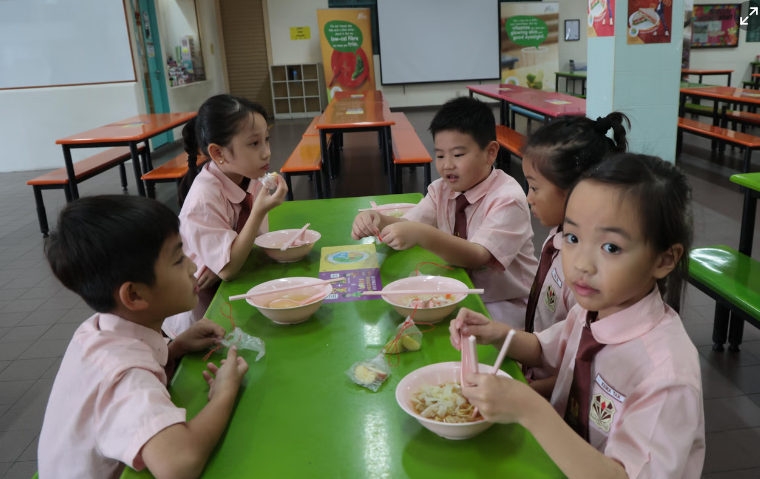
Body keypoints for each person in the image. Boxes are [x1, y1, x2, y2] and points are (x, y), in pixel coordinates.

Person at [450, 154, 704, 478]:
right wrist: (495, 332)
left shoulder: (666, 376)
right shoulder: (590, 309)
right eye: (572, 238)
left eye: (611, 247)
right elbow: (545, 349)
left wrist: (531, 411)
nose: (582, 263)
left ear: (664, 259)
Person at [38, 195, 250, 479]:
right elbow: (179, 464)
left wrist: (173, 349)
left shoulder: (94, 328)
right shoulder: (125, 377)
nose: (192, 267)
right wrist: (224, 393)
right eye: (178, 259)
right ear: (135, 295)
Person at [351, 97, 538, 324]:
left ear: (490, 153)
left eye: (458, 155)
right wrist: (377, 220)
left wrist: (422, 234)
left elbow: (478, 256)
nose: (447, 164)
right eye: (440, 155)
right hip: (462, 289)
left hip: (507, 302)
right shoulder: (442, 189)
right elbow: (409, 223)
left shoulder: (508, 199)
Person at [521, 113, 629, 396]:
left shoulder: (586, 274)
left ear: (575, 193)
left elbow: (583, 373)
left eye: (534, 187)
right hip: (538, 366)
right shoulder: (559, 233)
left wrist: (526, 391)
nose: (528, 197)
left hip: (556, 392)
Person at [164, 94, 288, 337]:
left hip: (231, 288)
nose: (266, 153)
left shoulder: (248, 176)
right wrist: (224, 259)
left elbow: (255, 241)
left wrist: (222, 258)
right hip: (200, 314)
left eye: (266, 140)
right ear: (218, 153)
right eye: (254, 144)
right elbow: (229, 269)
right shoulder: (203, 198)